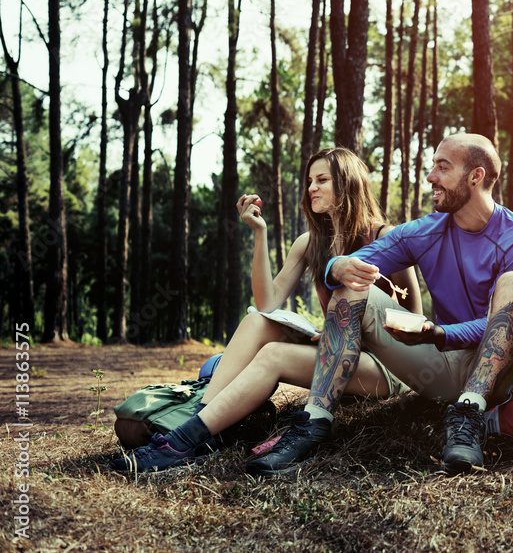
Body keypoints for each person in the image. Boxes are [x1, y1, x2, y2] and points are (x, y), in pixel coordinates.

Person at [247, 133, 513, 475]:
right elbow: (354, 264)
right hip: (444, 366)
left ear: (475, 176)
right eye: (432, 166)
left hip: (500, 377)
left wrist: (441, 333)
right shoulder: (425, 231)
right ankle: (313, 423)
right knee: (352, 283)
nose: (430, 176)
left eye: (442, 167)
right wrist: (337, 266)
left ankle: (469, 415)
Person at [112, 148, 420, 474]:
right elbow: (267, 304)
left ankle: (181, 442)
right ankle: (198, 429)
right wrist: (260, 234)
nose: (311, 188)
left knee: (274, 355)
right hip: (337, 355)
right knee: (257, 322)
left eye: (322, 180)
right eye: (309, 181)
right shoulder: (309, 243)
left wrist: (348, 336)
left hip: (387, 366)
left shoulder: (386, 238)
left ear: (347, 183)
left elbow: (415, 322)